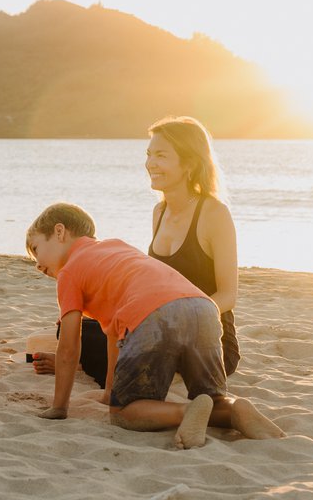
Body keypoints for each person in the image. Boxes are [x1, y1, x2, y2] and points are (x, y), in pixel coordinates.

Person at [25, 203, 283, 449]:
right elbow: (115, 338)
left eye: (36, 249)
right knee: (210, 398)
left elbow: (69, 346)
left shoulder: (70, 271)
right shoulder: (118, 248)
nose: (37, 265)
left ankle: (185, 411)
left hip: (154, 315)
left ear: (59, 232)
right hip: (203, 308)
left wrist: (59, 407)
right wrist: (108, 392)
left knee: (124, 412)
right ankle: (235, 410)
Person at [31, 115, 240, 381]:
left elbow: (228, 295)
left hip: (206, 334)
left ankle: (86, 363)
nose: (150, 163)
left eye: (161, 156)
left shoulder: (214, 213)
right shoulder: (160, 212)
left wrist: (172, 322)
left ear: (188, 162)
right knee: (78, 329)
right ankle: (83, 360)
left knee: (110, 339)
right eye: (149, 154)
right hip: (159, 323)